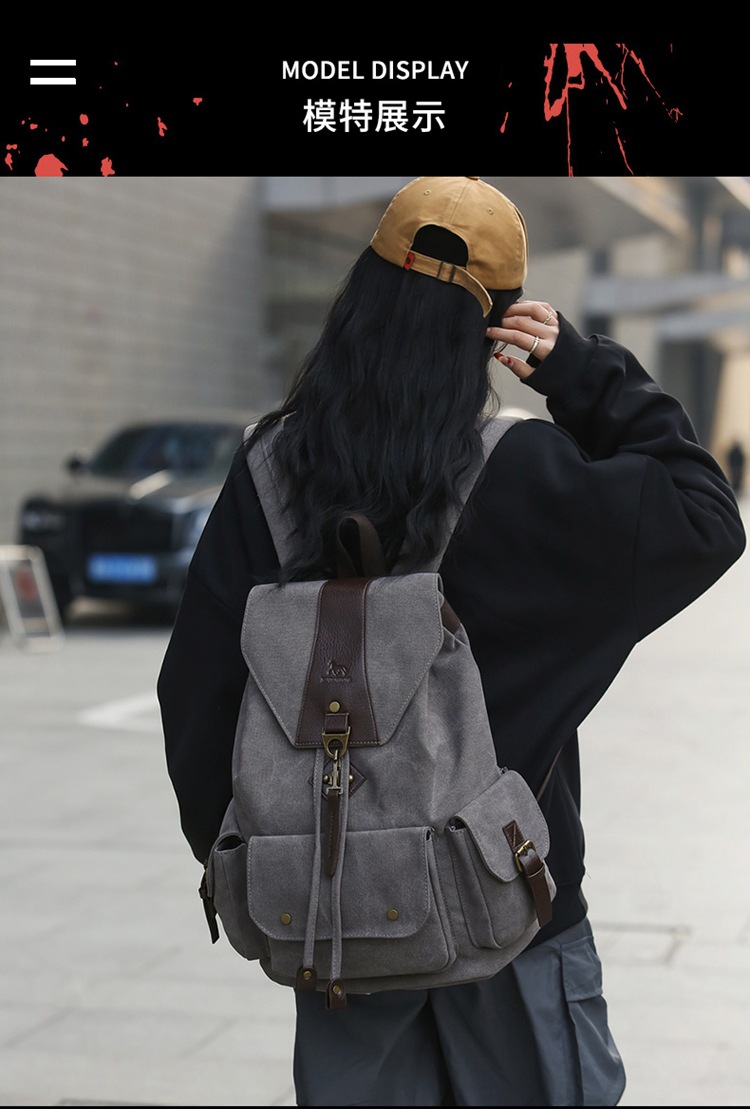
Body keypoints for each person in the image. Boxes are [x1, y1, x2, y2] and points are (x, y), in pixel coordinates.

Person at [158, 177, 746, 1106]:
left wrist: (266, 850)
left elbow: (193, 694)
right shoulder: (525, 472)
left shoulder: (271, 472)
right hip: (515, 912)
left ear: (361, 292)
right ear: (496, 325)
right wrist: (583, 372)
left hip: (337, 922)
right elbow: (706, 514)